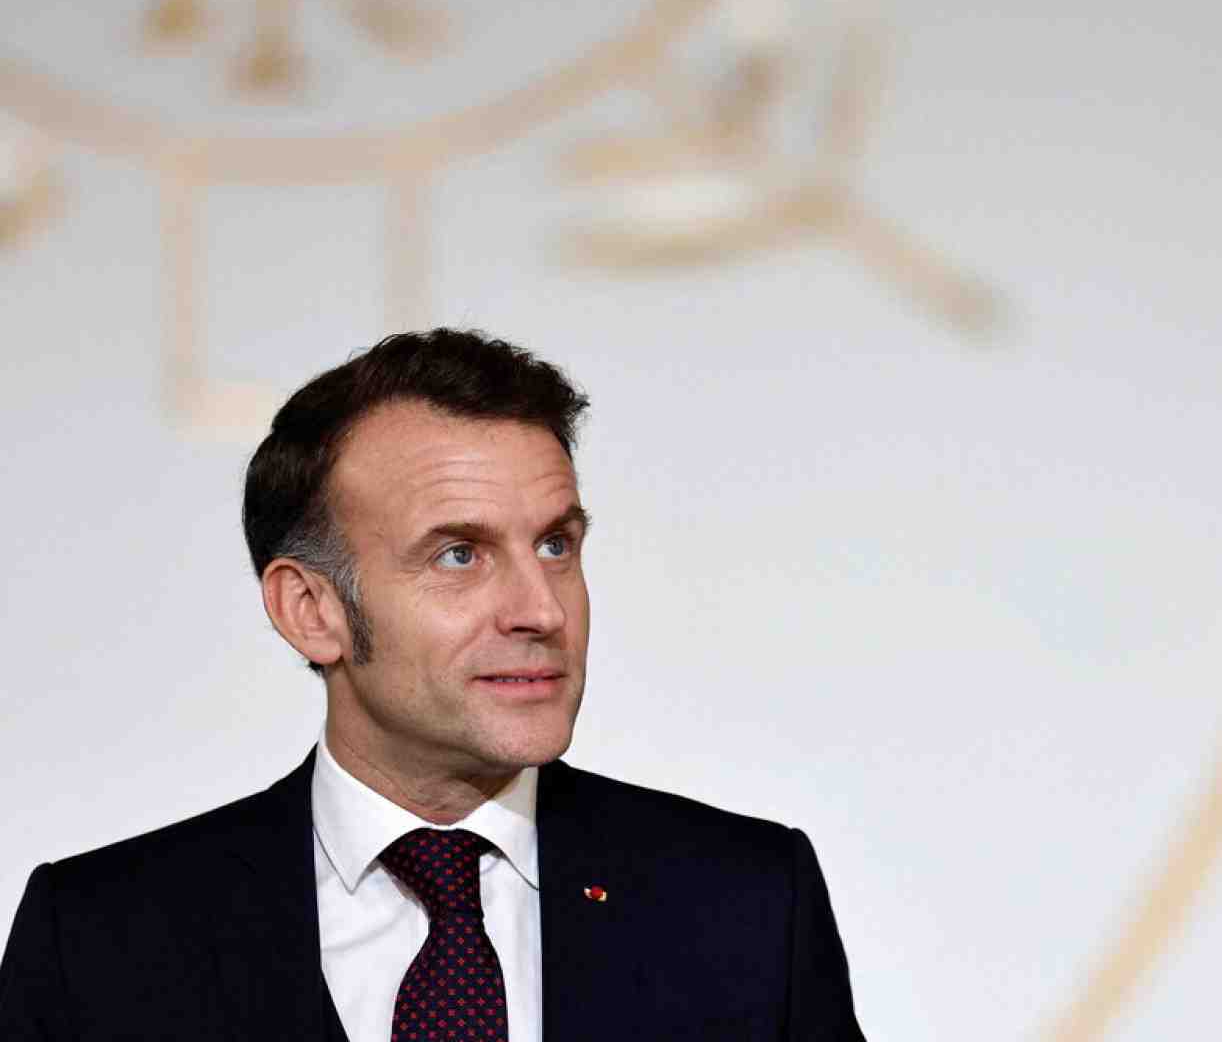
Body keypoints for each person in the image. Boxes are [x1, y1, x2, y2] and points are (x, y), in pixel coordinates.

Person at [0, 328, 865, 1040]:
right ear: (311, 610)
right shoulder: (98, 939)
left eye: (556, 546)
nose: (541, 610)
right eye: (459, 555)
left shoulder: (750, 904)